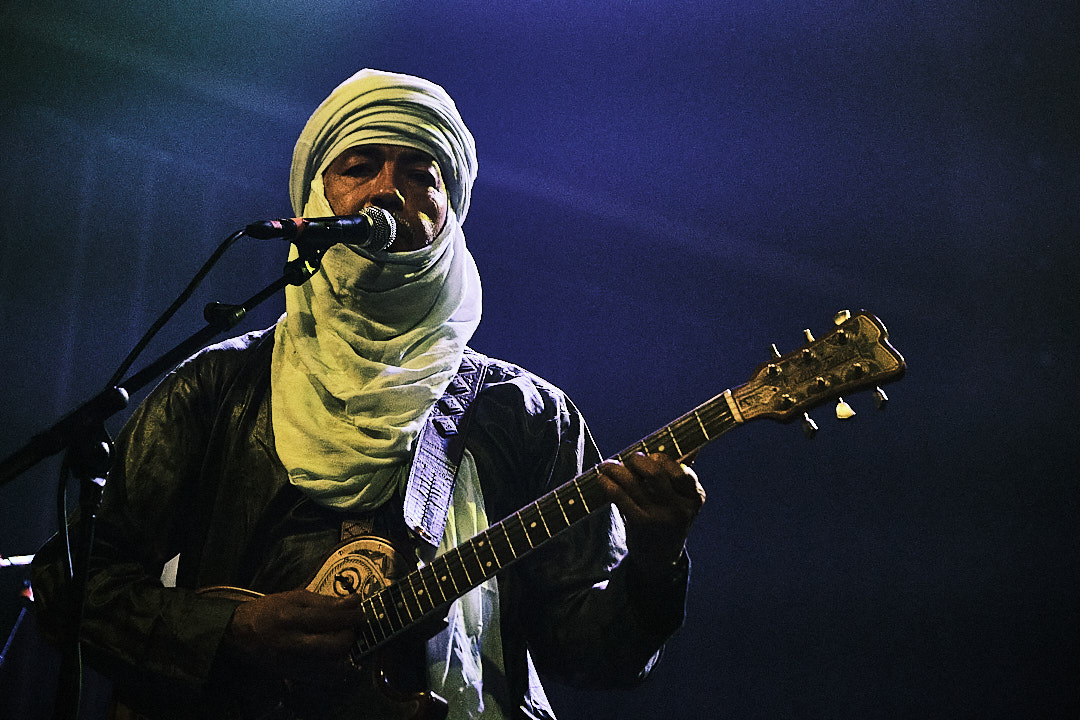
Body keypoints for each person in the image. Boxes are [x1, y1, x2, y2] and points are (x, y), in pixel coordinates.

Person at [31, 69, 705, 720]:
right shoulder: (215, 388)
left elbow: (596, 660)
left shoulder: (530, 417)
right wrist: (230, 627)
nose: (388, 192)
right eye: (359, 167)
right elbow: (73, 588)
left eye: (420, 175)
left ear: (451, 217)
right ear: (315, 201)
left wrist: (655, 560)